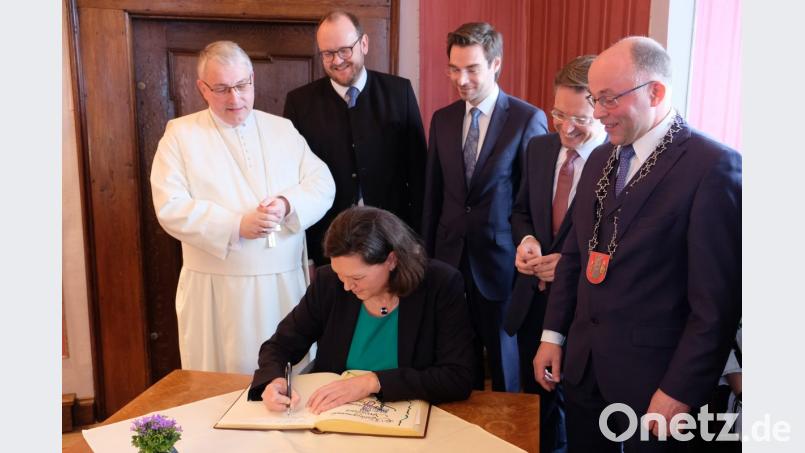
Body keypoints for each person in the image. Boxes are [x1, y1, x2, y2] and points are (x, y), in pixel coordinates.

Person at [532, 36, 741, 451]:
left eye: (608, 99)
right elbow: (575, 256)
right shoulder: (600, 158)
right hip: (585, 371)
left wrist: (679, 389)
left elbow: (715, 304)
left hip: (656, 383)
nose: (597, 114)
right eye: (595, 99)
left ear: (656, 92)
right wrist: (553, 336)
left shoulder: (712, 167)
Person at [150, 41, 335, 374]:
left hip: (282, 282)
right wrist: (235, 225)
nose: (235, 98)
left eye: (241, 85)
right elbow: (170, 206)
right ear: (202, 88)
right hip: (218, 290)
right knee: (223, 378)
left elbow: (323, 184)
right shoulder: (180, 135)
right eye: (221, 89)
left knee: (288, 374)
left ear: (252, 79)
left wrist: (286, 204)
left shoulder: (282, 129)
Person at [248, 206, 474, 413]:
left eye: (357, 277)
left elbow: (457, 377)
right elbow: (278, 346)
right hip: (334, 415)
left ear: (392, 260)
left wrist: (372, 382)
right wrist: (273, 380)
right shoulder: (329, 283)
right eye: (340, 275)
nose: (346, 286)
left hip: (408, 414)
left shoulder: (440, 284)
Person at [422, 22, 548, 392]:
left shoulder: (527, 119)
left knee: (508, 371)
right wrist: (428, 260)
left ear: (495, 64)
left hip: (502, 265)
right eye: (454, 69)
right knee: (456, 364)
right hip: (448, 262)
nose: (461, 80)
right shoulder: (442, 120)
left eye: (472, 69)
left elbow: (533, 202)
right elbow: (434, 196)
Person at [505, 55, 605, 452]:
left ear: (601, 108)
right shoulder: (540, 148)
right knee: (538, 407)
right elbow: (520, 211)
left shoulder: (615, 161)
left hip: (584, 309)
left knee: (578, 412)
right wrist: (526, 240)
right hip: (532, 303)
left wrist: (569, 267)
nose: (565, 127)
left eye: (579, 118)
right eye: (558, 113)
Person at [284, 10, 427, 266]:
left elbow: (418, 175)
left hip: (393, 239)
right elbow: (294, 181)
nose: (337, 60)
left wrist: (416, 242)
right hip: (326, 243)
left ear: (364, 44)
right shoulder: (299, 103)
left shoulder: (399, 92)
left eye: (344, 50)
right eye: (328, 53)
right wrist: (305, 256)